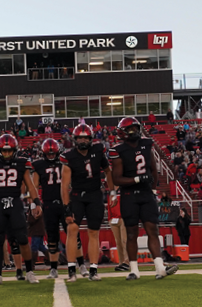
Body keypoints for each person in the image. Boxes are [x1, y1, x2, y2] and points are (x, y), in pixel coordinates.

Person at [110, 117, 177, 280]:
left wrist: (153, 189)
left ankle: (160, 267)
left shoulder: (146, 144)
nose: (134, 132)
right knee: (132, 234)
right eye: (130, 129)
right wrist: (137, 179)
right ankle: (134, 270)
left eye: (135, 128)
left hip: (146, 194)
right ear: (122, 132)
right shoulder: (118, 150)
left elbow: (153, 169)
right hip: (129, 195)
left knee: (152, 230)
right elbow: (116, 179)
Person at [0, 133, 39, 284]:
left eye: (9, 151)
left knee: (23, 239)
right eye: (4, 151)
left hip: (15, 203)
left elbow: (30, 185)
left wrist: (36, 202)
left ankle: (29, 271)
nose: (6, 154)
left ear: (14, 150)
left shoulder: (22, 164)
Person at [61, 122, 113, 282]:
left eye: (85, 138)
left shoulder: (98, 151)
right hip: (77, 195)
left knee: (93, 232)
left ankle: (93, 270)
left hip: (95, 195)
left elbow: (108, 171)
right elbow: (64, 185)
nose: (83, 141)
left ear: (90, 138)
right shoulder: (69, 156)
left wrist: (113, 191)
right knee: (72, 228)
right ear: (75, 139)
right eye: (80, 138)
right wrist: (66, 208)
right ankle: (71, 270)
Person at [31, 138, 67, 279]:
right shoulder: (38, 165)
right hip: (48, 203)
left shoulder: (65, 162)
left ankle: (78, 265)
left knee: (72, 234)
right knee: (52, 237)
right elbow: (34, 186)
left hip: (64, 202)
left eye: (53, 153)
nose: (51, 155)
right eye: (49, 153)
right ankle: (53, 268)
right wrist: (35, 204)